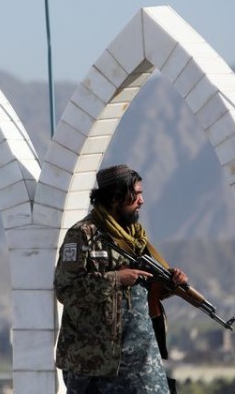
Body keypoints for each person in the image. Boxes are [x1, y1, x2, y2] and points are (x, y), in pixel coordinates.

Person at [54, 164, 187, 394]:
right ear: (116, 197)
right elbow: (66, 290)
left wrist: (170, 283)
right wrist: (115, 278)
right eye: (136, 194)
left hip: (140, 356)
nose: (142, 200)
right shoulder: (82, 235)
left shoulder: (135, 236)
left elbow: (146, 289)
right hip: (94, 363)